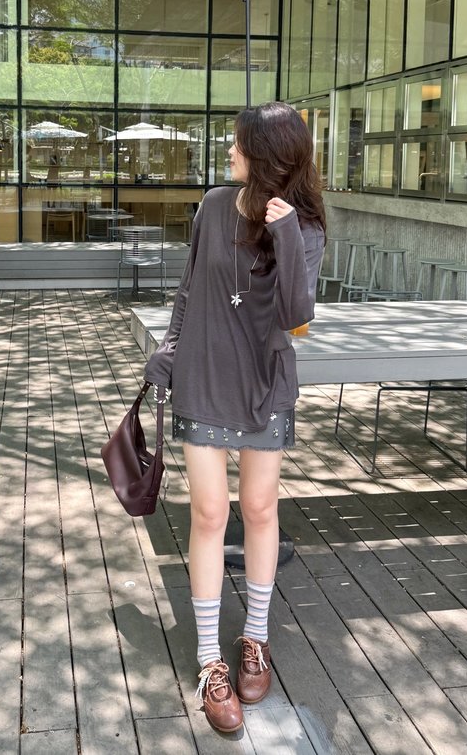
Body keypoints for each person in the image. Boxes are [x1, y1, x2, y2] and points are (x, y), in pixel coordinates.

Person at [144, 102, 325, 733]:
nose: (229, 152)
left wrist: (285, 235)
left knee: (260, 509)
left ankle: (255, 639)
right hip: (202, 373)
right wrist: (168, 350)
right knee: (208, 514)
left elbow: (297, 316)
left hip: (263, 383)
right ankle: (209, 660)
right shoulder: (214, 205)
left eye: (238, 144)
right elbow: (189, 287)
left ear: (267, 155)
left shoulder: (303, 225)